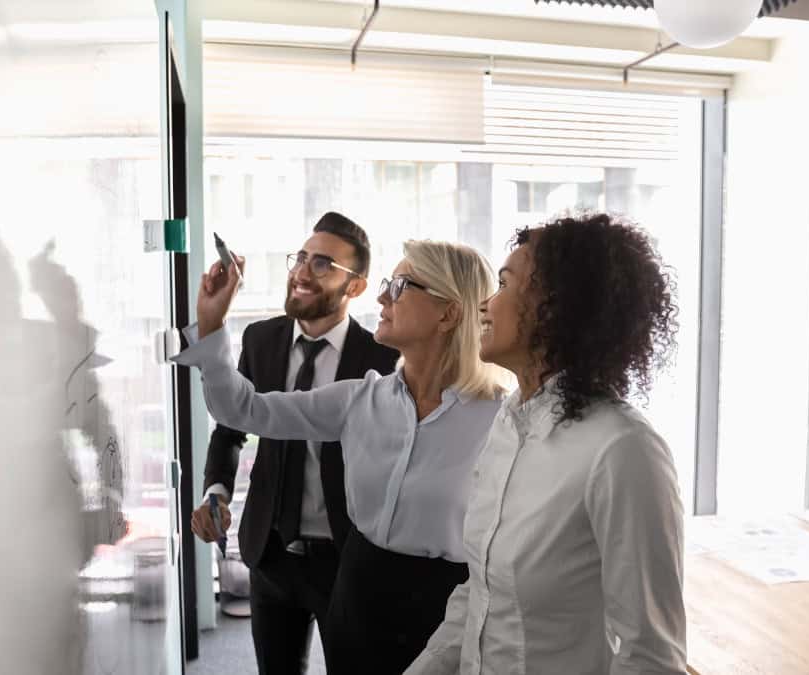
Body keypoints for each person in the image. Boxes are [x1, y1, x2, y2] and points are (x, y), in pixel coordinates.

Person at [175, 237, 507, 674]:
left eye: (402, 285)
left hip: (446, 606)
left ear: (449, 312)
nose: (384, 296)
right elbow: (244, 410)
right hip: (358, 590)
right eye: (388, 282)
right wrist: (212, 322)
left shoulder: (500, 419)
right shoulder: (359, 400)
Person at [406, 212, 687, 675]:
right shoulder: (508, 424)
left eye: (503, 284)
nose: (484, 305)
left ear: (556, 307)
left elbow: (650, 656)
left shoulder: (622, 449)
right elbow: (480, 594)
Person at [188, 212, 398, 674]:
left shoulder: (383, 358)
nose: (302, 271)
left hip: (347, 558)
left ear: (356, 287)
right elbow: (230, 429)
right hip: (271, 552)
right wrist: (216, 490)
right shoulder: (261, 338)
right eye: (301, 257)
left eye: (323, 264)